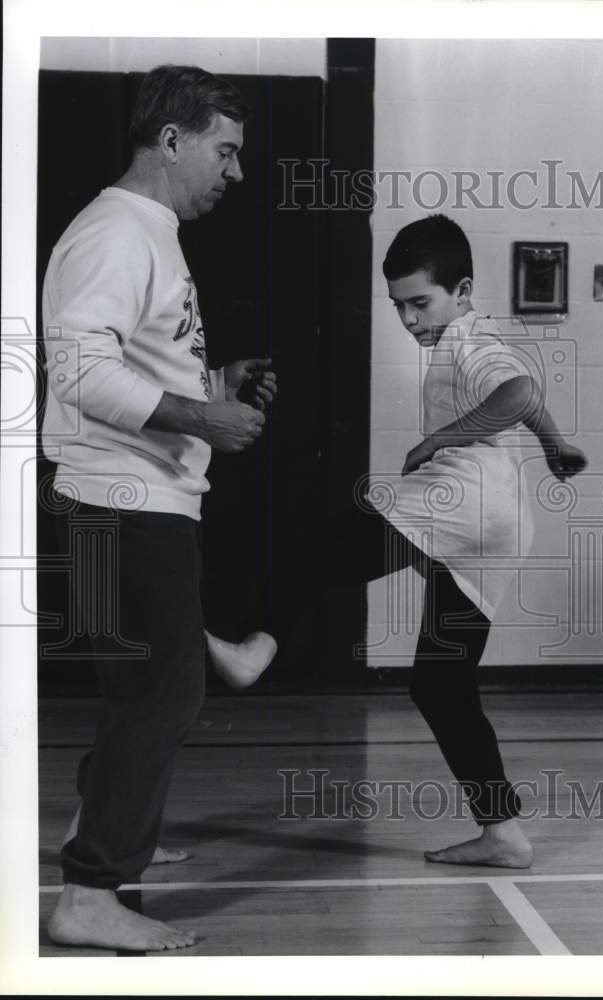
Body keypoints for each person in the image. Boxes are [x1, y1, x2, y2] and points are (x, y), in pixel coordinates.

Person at [42, 65, 276, 952]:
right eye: (226, 151)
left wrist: (212, 383)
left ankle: (90, 840)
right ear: (171, 140)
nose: (236, 170)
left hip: (121, 493)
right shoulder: (118, 234)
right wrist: (204, 414)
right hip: (125, 497)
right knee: (166, 692)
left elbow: (125, 361)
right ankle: (93, 891)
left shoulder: (147, 231)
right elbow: (82, 374)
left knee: (137, 687)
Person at [325, 214, 587, 866]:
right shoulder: (465, 341)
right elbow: (523, 401)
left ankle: (254, 646)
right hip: (498, 527)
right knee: (441, 685)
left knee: (325, 552)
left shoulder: (467, 341)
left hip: (462, 506)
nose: (410, 320)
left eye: (421, 303)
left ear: (463, 292)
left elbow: (520, 388)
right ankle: (503, 834)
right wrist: (554, 443)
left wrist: (436, 439)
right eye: (399, 307)